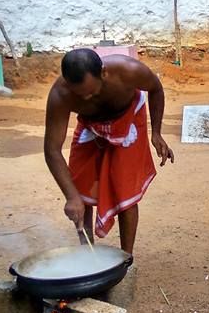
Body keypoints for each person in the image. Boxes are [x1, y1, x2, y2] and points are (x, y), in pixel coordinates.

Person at [43, 48, 174, 253]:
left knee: (124, 189)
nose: (86, 98)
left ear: (103, 73)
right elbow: (52, 149)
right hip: (91, 125)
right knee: (79, 190)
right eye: (80, 94)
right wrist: (71, 197)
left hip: (128, 119)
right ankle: (88, 256)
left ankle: (127, 259)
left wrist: (156, 132)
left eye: (92, 91)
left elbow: (156, 88)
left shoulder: (128, 71)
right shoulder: (61, 94)